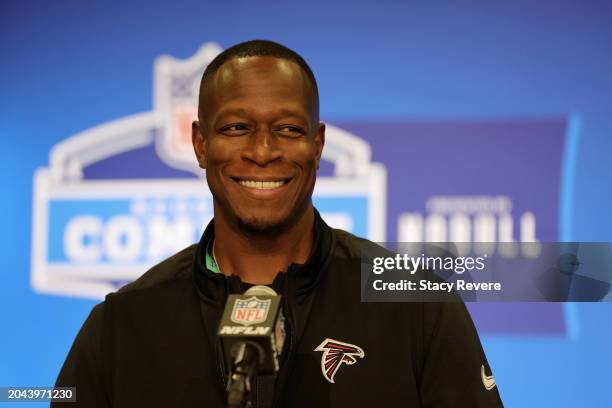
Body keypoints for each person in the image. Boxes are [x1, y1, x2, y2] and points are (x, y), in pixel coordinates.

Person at [54, 40, 503, 407]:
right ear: (200, 143)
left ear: (317, 143)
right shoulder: (122, 324)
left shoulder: (417, 306)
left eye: (288, 129)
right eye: (236, 128)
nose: (264, 151)